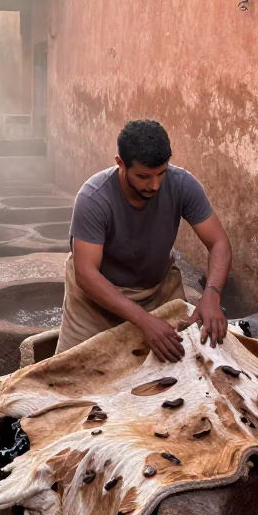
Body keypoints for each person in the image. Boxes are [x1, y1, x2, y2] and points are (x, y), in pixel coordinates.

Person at [56, 119, 233, 361]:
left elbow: (219, 242)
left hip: (157, 290)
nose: (155, 185)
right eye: (143, 176)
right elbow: (86, 274)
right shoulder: (94, 198)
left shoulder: (182, 184)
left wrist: (212, 294)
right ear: (120, 163)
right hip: (96, 298)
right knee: (73, 374)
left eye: (161, 173)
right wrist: (144, 321)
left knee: (187, 366)